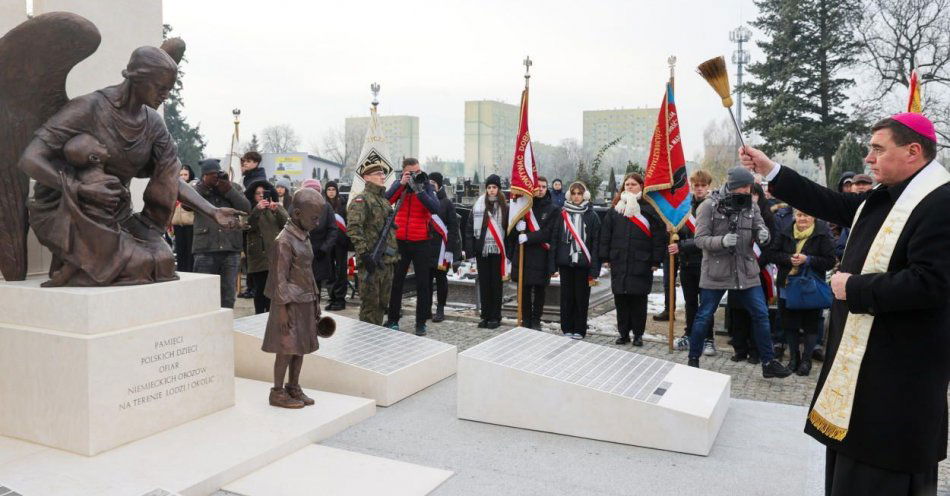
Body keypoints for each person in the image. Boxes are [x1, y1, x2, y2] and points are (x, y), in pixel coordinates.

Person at [743, 113, 950, 495]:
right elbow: (834, 204)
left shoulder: (940, 203)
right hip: (868, 367)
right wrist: (772, 171)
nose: (868, 159)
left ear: (913, 151)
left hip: (899, 374)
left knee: (880, 472)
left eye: (877, 149)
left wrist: (854, 289)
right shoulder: (889, 195)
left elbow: (933, 283)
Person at [18, 45, 245, 288]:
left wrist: (212, 211)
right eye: (161, 88)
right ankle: (79, 267)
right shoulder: (89, 108)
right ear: (138, 79)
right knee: (135, 265)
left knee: (163, 260)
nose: (165, 95)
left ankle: (94, 261)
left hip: (115, 212)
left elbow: (169, 177)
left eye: (169, 89)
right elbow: (30, 158)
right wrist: (80, 189)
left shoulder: (154, 124)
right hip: (66, 210)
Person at [688, 166, 791, 378]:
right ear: (734, 186)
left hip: (745, 270)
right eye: (745, 186)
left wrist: (764, 235)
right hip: (716, 271)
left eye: (749, 186)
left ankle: (768, 362)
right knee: (704, 315)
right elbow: (699, 240)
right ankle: (693, 360)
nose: (748, 190)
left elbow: (762, 228)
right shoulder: (708, 206)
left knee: (761, 314)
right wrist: (722, 241)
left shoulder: (751, 206)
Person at [261, 188, 336, 409]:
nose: (317, 222)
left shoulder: (303, 237)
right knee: (286, 349)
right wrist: (282, 309)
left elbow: (307, 271)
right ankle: (277, 391)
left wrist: (315, 300)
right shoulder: (283, 241)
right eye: (314, 218)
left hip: (305, 300)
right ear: (296, 214)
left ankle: (293, 386)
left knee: (301, 347)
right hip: (288, 303)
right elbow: (278, 278)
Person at [767, 210, 835, 376]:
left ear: (813, 217)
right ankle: (794, 359)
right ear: (794, 216)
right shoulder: (785, 231)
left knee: (811, 324)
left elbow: (830, 261)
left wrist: (808, 260)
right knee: (790, 324)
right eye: (799, 215)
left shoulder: (822, 233)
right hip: (787, 284)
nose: (802, 219)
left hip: (810, 286)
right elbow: (773, 254)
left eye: (806, 215)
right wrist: (789, 258)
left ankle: (806, 361)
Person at [600, 173, 664, 345]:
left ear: (641, 186)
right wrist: (605, 257)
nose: (629, 187)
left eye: (633, 184)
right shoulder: (616, 209)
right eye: (627, 184)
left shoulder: (649, 209)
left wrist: (656, 260)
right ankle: (623, 334)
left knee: (638, 301)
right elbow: (606, 235)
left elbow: (658, 237)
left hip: (641, 262)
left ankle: (638, 335)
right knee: (621, 300)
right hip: (619, 261)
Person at [383, 158, 441, 335]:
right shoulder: (398, 184)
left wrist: (419, 191)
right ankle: (393, 319)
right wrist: (401, 184)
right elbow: (385, 201)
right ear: (404, 172)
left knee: (423, 283)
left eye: (418, 170)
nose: (416, 174)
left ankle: (421, 322)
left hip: (421, 241)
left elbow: (435, 208)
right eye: (411, 172)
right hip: (400, 240)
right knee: (396, 282)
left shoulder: (426, 186)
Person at [191, 159, 251, 308]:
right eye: (210, 175)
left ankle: (226, 325)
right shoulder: (196, 189)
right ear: (203, 175)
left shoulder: (232, 187)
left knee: (228, 295)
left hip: (230, 248)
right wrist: (205, 186)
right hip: (205, 248)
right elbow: (187, 206)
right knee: (203, 294)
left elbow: (246, 208)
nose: (215, 178)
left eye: (216, 174)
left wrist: (228, 190)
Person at [347, 164, 398, 325]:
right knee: (370, 305)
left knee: (383, 303)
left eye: (383, 174)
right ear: (367, 177)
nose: (383, 176)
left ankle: (377, 339)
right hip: (371, 262)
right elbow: (354, 229)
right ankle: (366, 341)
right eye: (378, 173)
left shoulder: (383, 200)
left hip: (387, 261)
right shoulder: (361, 200)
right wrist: (364, 254)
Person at [672, 170, 715, 352]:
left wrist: (681, 246)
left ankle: (708, 339)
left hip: (707, 263)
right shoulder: (685, 207)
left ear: (708, 187)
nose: (699, 189)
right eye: (696, 185)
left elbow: (707, 238)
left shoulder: (714, 206)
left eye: (703, 185)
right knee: (690, 303)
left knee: (706, 304)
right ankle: (689, 334)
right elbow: (680, 231)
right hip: (688, 264)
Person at [509, 176, 559, 330]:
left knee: (539, 291)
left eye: (544, 187)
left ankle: (536, 320)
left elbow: (548, 233)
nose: (541, 189)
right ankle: (525, 319)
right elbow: (510, 231)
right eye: (539, 187)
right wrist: (517, 227)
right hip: (524, 255)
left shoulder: (553, 209)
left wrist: (528, 236)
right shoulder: (524, 207)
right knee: (523, 291)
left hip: (541, 255)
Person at [552, 182, 601, 339]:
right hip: (566, 262)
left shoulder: (592, 216)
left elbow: (596, 243)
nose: (576, 196)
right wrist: (553, 263)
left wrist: (594, 268)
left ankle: (579, 329)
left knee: (581, 298)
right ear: (569, 195)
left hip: (583, 263)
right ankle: (567, 328)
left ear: (584, 195)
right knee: (566, 297)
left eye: (579, 193)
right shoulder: (562, 214)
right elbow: (555, 239)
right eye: (573, 193)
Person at [463, 174, 509, 329]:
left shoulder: (505, 207)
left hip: (498, 250)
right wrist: (470, 251)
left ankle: (495, 316)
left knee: (496, 285)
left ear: (498, 189)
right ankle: (485, 315)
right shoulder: (478, 205)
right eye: (489, 187)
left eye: (494, 187)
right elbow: (469, 228)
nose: (491, 190)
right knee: (484, 284)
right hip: (482, 250)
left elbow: (509, 230)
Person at [244, 180, 287, 314]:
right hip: (259, 255)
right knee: (261, 289)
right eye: (258, 194)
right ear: (253, 195)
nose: (261, 196)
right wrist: (257, 210)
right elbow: (247, 226)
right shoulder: (249, 209)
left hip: (276, 254)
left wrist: (276, 211)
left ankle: (272, 315)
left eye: (264, 193)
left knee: (274, 290)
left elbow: (288, 225)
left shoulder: (277, 207)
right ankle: (259, 315)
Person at [427, 172, 461, 323]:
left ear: (439, 185)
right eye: (429, 182)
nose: (431, 185)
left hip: (441, 249)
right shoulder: (424, 200)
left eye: (433, 182)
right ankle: (425, 308)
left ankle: (440, 309)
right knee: (425, 281)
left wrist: (449, 250)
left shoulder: (447, 203)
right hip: (426, 247)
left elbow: (453, 229)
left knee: (441, 281)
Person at [303, 179, 339, 300]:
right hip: (300, 254)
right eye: (310, 190)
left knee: (316, 289)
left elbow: (333, 230)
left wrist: (324, 248)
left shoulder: (326, 207)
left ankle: (315, 315)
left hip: (319, 254)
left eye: (315, 190)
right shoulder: (296, 206)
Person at [323, 180, 350, 311]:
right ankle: (332, 297)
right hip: (328, 243)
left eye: (333, 189)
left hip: (341, 243)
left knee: (341, 271)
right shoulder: (322, 205)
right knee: (329, 272)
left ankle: (340, 299)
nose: (331, 192)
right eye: (329, 190)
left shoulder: (343, 205)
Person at [171, 164, 196, 272]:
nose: (183, 177)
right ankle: (181, 271)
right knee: (180, 251)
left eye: (185, 174)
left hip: (190, 223)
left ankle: (190, 271)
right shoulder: (173, 187)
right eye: (180, 174)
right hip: (177, 222)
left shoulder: (194, 187)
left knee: (190, 252)